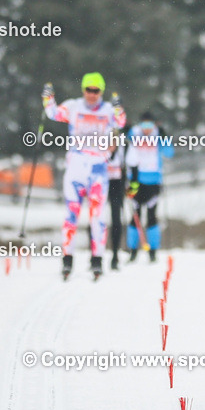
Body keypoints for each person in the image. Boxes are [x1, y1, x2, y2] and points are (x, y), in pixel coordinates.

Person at [42, 73, 127, 279]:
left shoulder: (107, 110)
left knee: (97, 217)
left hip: (98, 170)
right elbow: (53, 113)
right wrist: (47, 97)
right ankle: (67, 260)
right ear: (83, 90)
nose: (92, 94)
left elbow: (121, 122)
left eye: (96, 90)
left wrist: (118, 107)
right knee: (71, 216)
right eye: (88, 90)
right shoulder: (73, 106)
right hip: (76, 169)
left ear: (102, 91)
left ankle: (97, 260)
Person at [124, 111, 174, 262]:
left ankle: (153, 250)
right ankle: (133, 250)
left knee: (152, 216)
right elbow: (123, 138)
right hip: (136, 181)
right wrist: (125, 129)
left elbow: (169, 153)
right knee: (135, 216)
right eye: (144, 125)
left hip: (153, 182)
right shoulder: (135, 132)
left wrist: (165, 139)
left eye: (150, 125)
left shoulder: (158, 134)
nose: (147, 129)